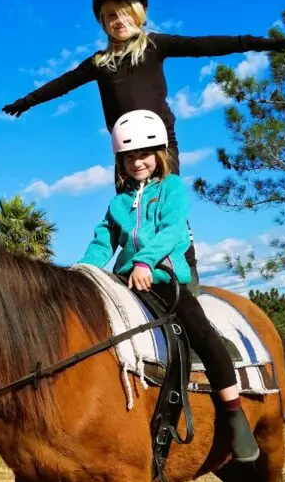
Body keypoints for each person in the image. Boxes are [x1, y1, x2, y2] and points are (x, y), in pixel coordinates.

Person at [3, 0, 285, 284]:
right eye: (110, 16)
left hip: (159, 146)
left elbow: (203, 45)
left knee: (166, 208)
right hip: (125, 151)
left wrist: (254, 42)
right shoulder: (99, 63)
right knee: (128, 213)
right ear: (102, 22)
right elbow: (63, 83)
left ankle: (185, 271)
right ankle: (120, 270)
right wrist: (26, 101)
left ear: (139, 14)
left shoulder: (154, 45)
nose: (118, 21)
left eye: (125, 14)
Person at [79, 109, 259, 463]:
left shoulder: (172, 189)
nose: (137, 162)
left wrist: (146, 261)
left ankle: (235, 415)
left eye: (144, 154)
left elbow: (174, 231)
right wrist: (83, 272)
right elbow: (103, 242)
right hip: (125, 280)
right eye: (129, 156)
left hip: (164, 278)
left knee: (203, 334)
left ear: (159, 154)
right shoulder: (117, 202)